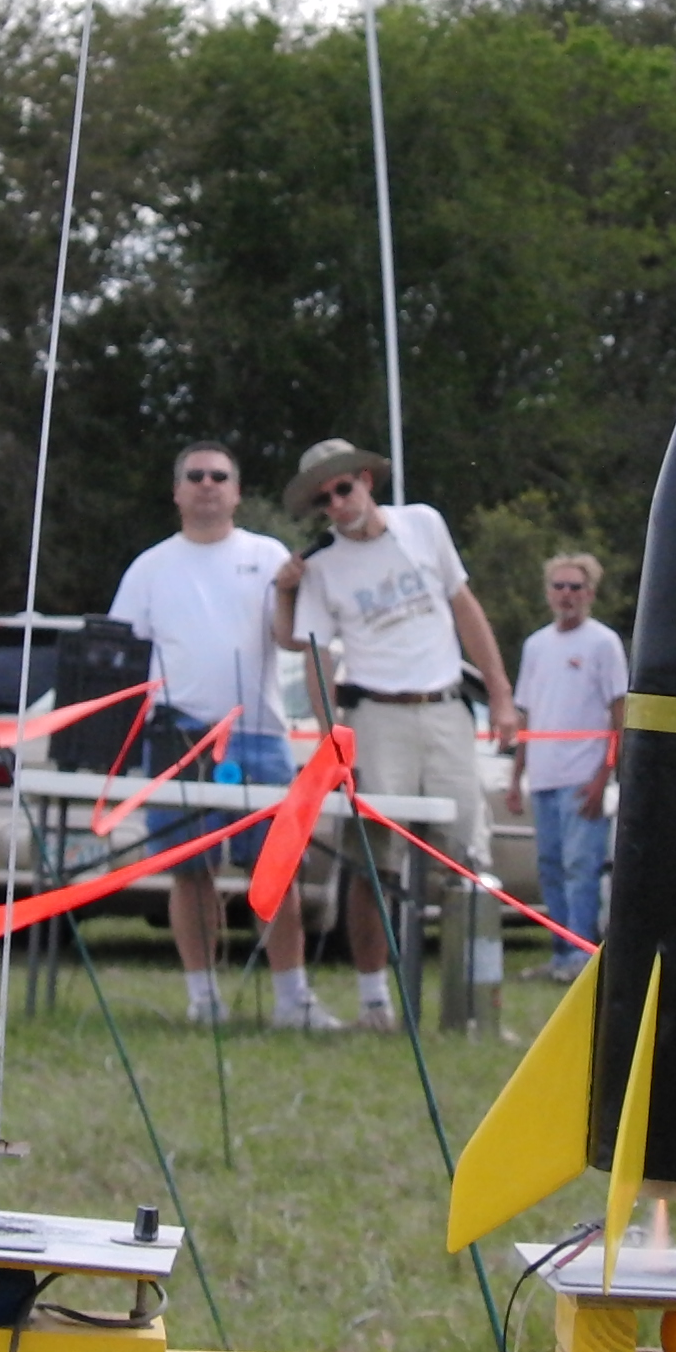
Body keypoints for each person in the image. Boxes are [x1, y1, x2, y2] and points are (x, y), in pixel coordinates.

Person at [271, 437, 517, 1034]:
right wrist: (331, 741)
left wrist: (501, 694)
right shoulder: (321, 565)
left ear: (365, 480)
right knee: (373, 861)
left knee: (470, 858)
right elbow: (314, 653)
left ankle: (472, 1008)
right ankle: (374, 1003)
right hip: (376, 716)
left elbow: (464, 607)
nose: (337, 504)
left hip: (447, 709)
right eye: (324, 499)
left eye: (343, 488)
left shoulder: (424, 524)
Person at [107, 442, 303, 1028]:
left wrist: (291, 590)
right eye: (195, 476)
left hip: (261, 734)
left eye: (219, 476)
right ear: (177, 492)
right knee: (191, 870)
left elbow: (293, 637)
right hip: (180, 737)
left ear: (237, 492)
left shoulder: (269, 556)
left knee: (276, 872)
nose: (207, 484)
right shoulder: (149, 567)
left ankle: (293, 1000)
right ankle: (203, 999)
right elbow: (120, 655)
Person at [503, 553, 625, 982]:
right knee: (550, 868)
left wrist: (603, 777)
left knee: (580, 868)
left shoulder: (603, 643)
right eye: (559, 586)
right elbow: (527, 715)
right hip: (544, 776)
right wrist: (516, 777)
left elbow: (619, 714)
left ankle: (581, 955)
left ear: (589, 593)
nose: (567, 595)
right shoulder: (536, 646)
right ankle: (559, 955)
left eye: (575, 587)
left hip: (581, 777)